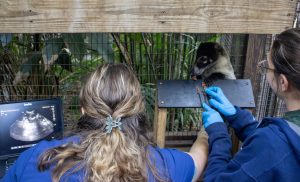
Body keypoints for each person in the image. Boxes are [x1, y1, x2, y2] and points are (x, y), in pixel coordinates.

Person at [2, 63, 208, 182]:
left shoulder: (36, 159)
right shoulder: (166, 165)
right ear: (137, 111)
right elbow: (199, 157)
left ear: (83, 109)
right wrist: (206, 130)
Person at [201, 27, 300, 182]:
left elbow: (273, 149)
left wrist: (219, 135)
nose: (264, 69)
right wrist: (237, 116)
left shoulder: (273, 144)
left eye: (266, 66)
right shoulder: (283, 137)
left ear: (282, 82)